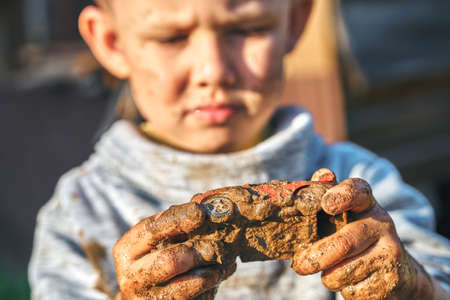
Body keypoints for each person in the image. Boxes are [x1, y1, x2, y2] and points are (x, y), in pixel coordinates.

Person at [29, 0, 450, 299]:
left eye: (247, 29)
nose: (214, 70)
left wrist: (413, 288)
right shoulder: (82, 213)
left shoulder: (365, 188)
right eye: (171, 37)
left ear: (296, 19)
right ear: (111, 41)